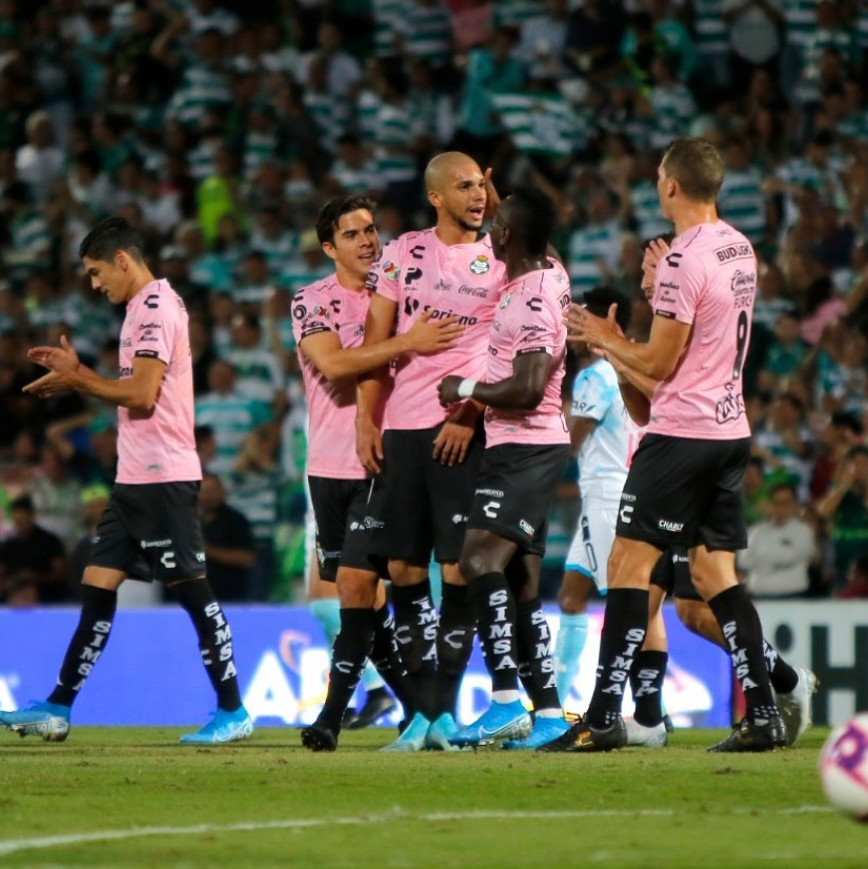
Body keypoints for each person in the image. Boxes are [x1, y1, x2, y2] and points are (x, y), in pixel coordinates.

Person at [549, 138, 786, 753]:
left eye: (659, 176)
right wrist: (656, 299)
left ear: (671, 185)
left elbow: (659, 362)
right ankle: (764, 713)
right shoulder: (739, 247)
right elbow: (693, 348)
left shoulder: (684, 257)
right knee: (713, 574)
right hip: (728, 430)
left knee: (627, 567)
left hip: (682, 434)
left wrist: (605, 336)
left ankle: (604, 716)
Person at [0, 217, 252, 745]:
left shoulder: (156, 308)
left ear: (122, 260)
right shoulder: (142, 308)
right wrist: (81, 375)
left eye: (96, 272)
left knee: (192, 591)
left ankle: (233, 710)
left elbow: (140, 394)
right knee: (97, 585)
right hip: (133, 478)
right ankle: (58, 706)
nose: (94, 285)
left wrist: (78, 379)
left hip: (163, 476)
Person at [292, 195, 464, 751]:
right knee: (363, 602)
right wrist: (406, 342)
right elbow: (333, 365)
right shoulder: (312, 300)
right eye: (352, 234)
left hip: (382, 461)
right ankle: (421, 710)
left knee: (357, 585)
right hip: (326, 465)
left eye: (371, 230)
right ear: (329, 247)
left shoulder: (401, 294)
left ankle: (330, 719)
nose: (367, 241)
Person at [356, 152, 508, 751]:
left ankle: (440, 710)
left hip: (459, 429)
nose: (478, 195)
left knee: (456, 568)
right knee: (403, 569)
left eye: (482, 185)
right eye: (465, 186)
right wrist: (367, 422)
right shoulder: (403, 253)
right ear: (436, 197)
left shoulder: (503, 257)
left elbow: (510, 349)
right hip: (403, 427)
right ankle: (423, 713)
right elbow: (374, 345)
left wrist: (470, 416)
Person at [437, 187, 571, 749]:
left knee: (476, 559)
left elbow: (530, 386)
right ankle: (550, 715)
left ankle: (505, 701)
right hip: (527, 447)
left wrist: (464, 387)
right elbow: (544, 242)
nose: (489, 232)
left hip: (524, 447)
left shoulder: (531, 300)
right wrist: (505, 208)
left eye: (497, 226)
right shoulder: (550, 273)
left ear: (508, 236)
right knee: (519, 585)